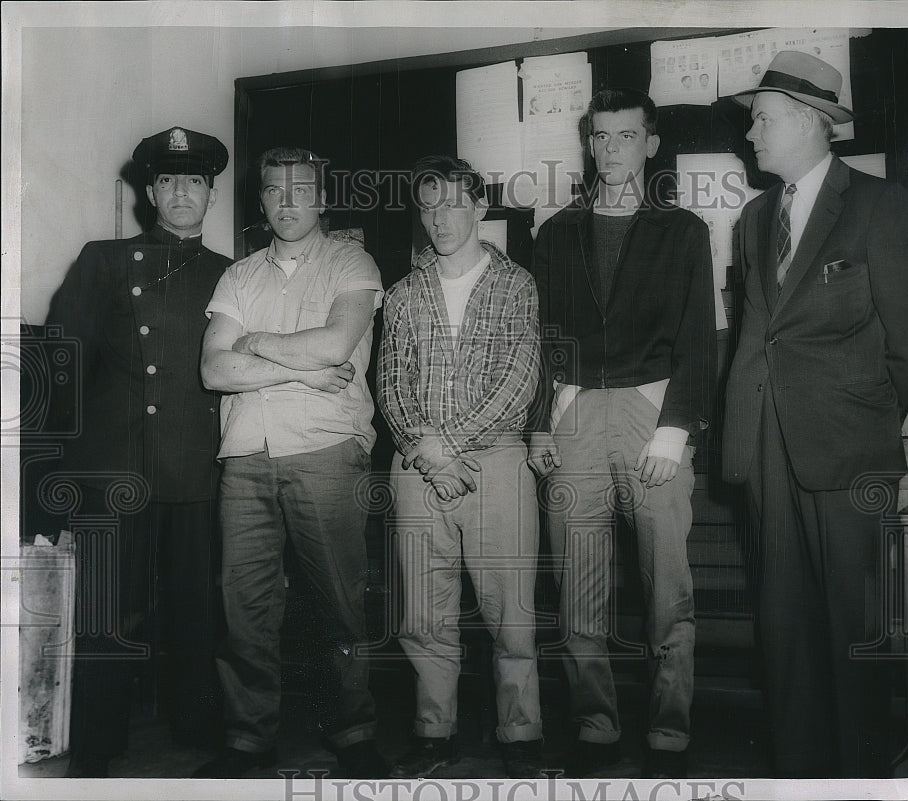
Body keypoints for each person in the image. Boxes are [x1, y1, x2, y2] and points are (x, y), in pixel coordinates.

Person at [722, 51, 908, 777]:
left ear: (812, 123)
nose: (751, 133)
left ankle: (863, 774)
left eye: (763, 119)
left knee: (853, 628)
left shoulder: (880, 205)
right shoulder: (753, 219)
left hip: (848, 454)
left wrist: (866, 410)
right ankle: (799, 774)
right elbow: (759, 335)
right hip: (766, 453)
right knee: (783, 632)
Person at [528, 88, 716, 778]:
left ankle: (670, 729)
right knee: (577, 588)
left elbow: (700, 341)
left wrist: (675, 431)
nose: (611, 150)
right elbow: (541, 339)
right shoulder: (555, 231)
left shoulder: (685, 231)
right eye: (601, 137)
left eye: (626, 136)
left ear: (651, 143)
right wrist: (539, 423)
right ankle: (595, 725)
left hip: (651, 414)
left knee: (668, 589)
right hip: (575, 415)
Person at [194, 147, 386, 779]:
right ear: (261, 201)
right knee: (243, 606)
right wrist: (298, 363)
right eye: (274, 190)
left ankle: (354, 729)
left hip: (326, 450)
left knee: (338, 601)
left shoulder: (351, 263)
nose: (288, 201)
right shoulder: (238, 277)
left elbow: (336, 344)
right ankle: (249, 740)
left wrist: (255, 343)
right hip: (246, 456)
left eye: (301, 189)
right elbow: (214, 370)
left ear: (321, 198)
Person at [45, 126, 230, 777]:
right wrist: (62, 475)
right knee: (106, 614)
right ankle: (96, 744)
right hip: (113, 466)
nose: (182, 193)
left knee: (193, 607)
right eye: (170, 181)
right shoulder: (103, 260)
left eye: (195, 182)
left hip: (195, 465)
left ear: (211, 193)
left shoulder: (231, 275)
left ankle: (197, 727)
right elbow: (62, 363)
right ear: (151, 191)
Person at [377, 156, 544, 779]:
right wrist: (425, 450)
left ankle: (520, 733)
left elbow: (518, 382)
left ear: (480, 208)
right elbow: (390, 384)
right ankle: (432, 732)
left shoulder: (515, 284)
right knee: (423, 613)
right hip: (418, 466)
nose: (440, 217)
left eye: (453, 203)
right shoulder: (402, 293)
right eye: (429, 205)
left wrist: (447, 443)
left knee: (511, 613)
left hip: (495, 461)